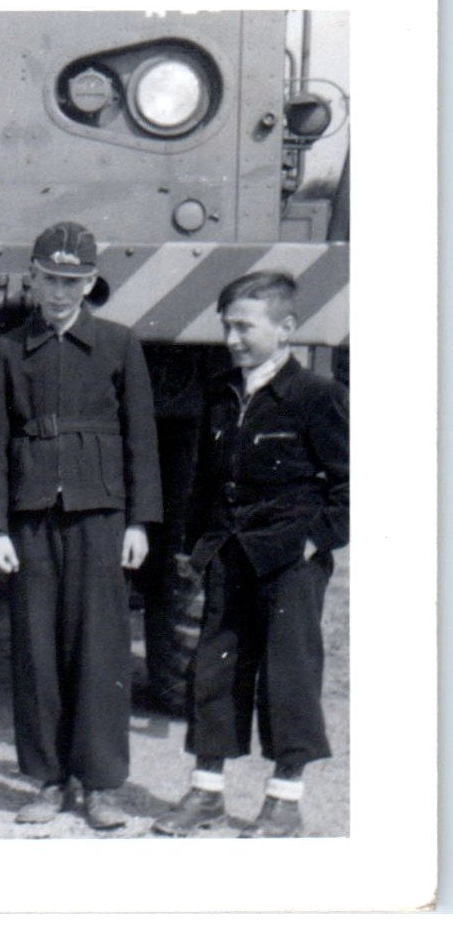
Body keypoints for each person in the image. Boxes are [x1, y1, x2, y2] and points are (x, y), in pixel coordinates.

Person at [0, 221, 162, 831]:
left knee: (101, 649)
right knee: (36, 651)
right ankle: (48, 780)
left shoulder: (117, 344)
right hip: (32, 520)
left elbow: (142, 441)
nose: (59, 293)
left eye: (72, 281)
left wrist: (140, 521)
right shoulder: (8, 351)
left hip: (101, 516)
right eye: (50, 280)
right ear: (33, 279)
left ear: (90, 284)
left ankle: (101, 785)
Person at [153, 270, 348, 838]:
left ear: (286, 329)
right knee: (213, 672)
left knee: (288, 675)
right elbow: (204, 482)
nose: (233, 339)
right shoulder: (219, 393)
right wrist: (195, 548)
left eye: (245, 327)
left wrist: (314, 541)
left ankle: (284, 801)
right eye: (227, 327)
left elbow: (351, 486)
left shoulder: (319, 397)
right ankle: (206, 792)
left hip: (290, 561)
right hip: (228, 555)